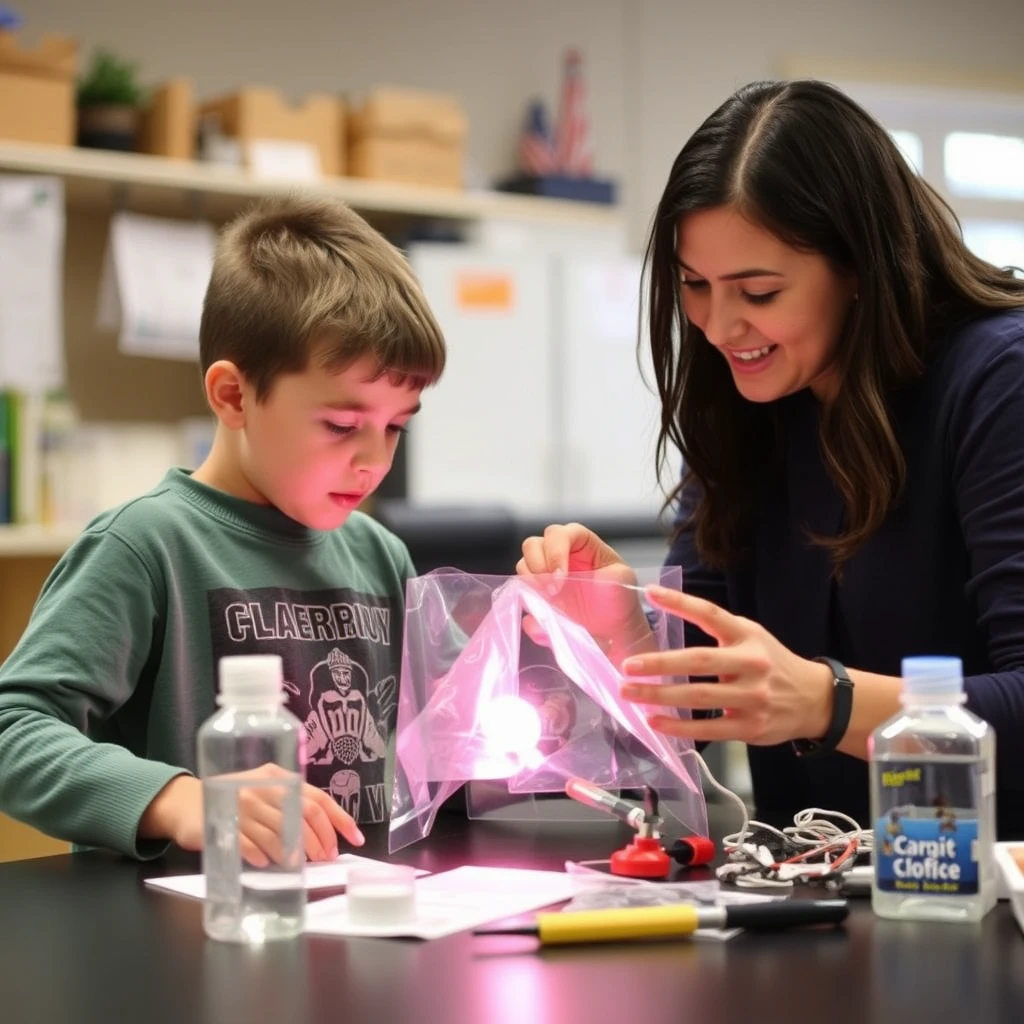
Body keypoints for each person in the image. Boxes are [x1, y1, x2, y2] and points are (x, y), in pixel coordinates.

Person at [518, 79, 1024, 838]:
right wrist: (623, 630)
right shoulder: (750, 404)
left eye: (758, 291)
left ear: (859, 267)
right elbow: (716, 693)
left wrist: (829, 702)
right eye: (694, 286)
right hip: (811, 887)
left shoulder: (997, 380)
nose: (720, 327)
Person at [0, 195, 446, 863]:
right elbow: (14, 731)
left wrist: (546, 644)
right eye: (343, 425)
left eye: (396, 427)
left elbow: (455, 726)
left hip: (352, 933)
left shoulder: (380, 556)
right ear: (234, 395)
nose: (374, 461)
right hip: (183, 938)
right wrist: (184, 801)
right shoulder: (146, 546)